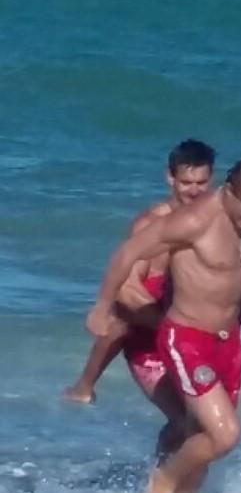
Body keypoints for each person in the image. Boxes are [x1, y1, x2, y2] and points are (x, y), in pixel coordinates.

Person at [85, 157, 241, 493]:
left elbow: (231, 266)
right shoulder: (193, 221)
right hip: (186, 338)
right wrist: (101, 306)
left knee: (198, 433)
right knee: (224, 434)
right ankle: (163, 481)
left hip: (227, 343)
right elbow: (128, 253)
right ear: (229, 191)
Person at [63, 139, 216, 441]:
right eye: (186, 183)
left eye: (201, 183)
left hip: (192, 340)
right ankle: (84, 386)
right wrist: (173, 327)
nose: (194, 191)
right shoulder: (152, 225)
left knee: (205, 426)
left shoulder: (216, 223)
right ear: (170, 178)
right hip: (149, 344)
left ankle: (164, 469)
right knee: (188, 424)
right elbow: (126, 289)